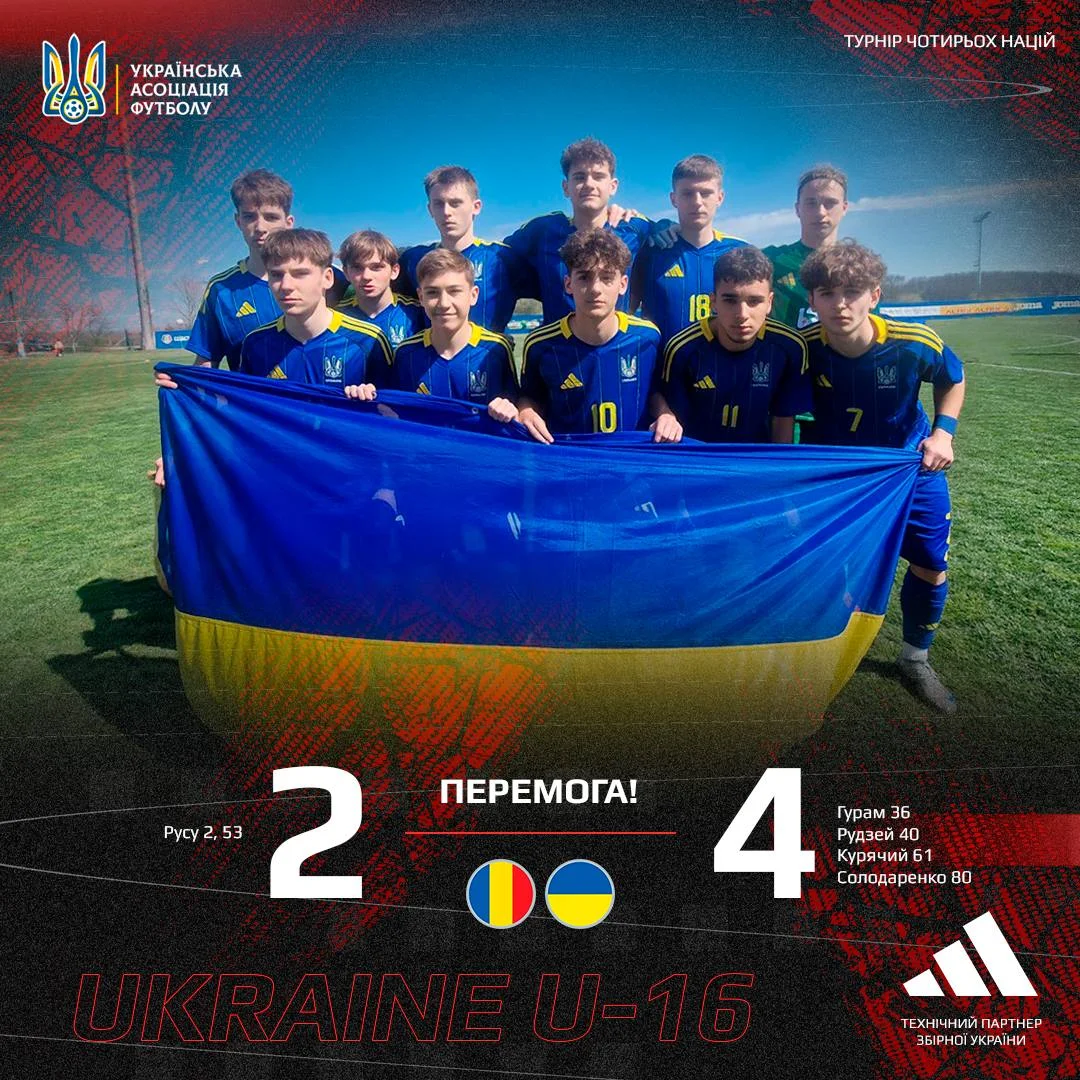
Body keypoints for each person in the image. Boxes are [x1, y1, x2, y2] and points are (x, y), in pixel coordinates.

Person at [799, 240, 965, 713]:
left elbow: (952, 378)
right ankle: (833, 646)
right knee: (834, 561)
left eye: (852, 292)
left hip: (910, 469)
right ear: (812, 300)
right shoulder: (802, 348)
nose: (840, 304)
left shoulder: (914, 341)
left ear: (875, 295)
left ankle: (915, 660)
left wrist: (943, 434)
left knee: (930, 563)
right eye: (827, 293)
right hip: (840, 478)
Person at [653, 246, 810, 444]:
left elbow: (783, 421)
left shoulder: (789, 348)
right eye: (730, 300)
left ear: (770, 303)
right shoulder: (683, 349)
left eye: (754, 301)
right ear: (713, 302)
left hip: (755, 456)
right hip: (699, 455)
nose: (742, 314)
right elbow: (674, 422)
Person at [517, 229, 660, 442]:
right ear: (568, 284)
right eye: (584, 277)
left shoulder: (648, 338)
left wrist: (666, 414)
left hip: (631, 460)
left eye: (607, 277)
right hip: (569, 460)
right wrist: (526, 411)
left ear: (623, 284)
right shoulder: (540, 345)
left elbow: (658, 392)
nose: (595, 289)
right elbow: (529, 397)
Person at [505, 138, 652, 323]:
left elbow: (675, 234)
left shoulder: (634, 229)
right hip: (556, 341)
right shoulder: (542, 231)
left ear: (613, 186)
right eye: (580, 177)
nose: (589, 184)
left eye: (598, 176)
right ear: (566, 187)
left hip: (616, 340)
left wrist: (665, 225)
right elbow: (493, 260)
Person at [362, 248, 516, 422]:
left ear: (473, 295)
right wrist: (363, 395)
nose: (444, 303)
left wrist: (511, 408)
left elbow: (515, 409)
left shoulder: (496, 350)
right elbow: (389, 410)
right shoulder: (405, 354)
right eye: (432, 292)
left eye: (454, 291)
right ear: (421, 297)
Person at [240, 229, 391, 393]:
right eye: (276, 275)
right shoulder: (255, 344)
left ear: (327, 278)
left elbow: (393, 404)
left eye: (300, 274)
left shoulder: (369, 341)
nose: (286, 286)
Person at [397, 166, 532, 334]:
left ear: (476, 207)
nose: (446, 212)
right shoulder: (413, 260)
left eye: (455, 203)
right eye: (438, 204)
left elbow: (552, 294)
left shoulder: (503, 257)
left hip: (491, 351)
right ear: (430, 209)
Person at [632, 154, 747, 346]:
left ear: (720, 197)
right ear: (673, 199)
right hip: (663, 364)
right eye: (687, 193)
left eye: (706, 193)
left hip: (725, 364)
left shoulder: (740, 253)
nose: (697, 202)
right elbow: (625, 312)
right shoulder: (651, 252)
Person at [763, 164, 849, 331]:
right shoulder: (769, 260)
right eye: (811, 203)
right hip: (784, 348)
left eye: (830, 203)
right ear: (798, 209)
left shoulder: (858, 267)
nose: (820, 212)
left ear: (844, 208)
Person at [335, 230, 425, 348]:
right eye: (357, 267)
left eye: (376, 267)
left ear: (394, 271)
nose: (366, 276)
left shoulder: (417, 313)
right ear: (346, 272)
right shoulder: (335, 317)